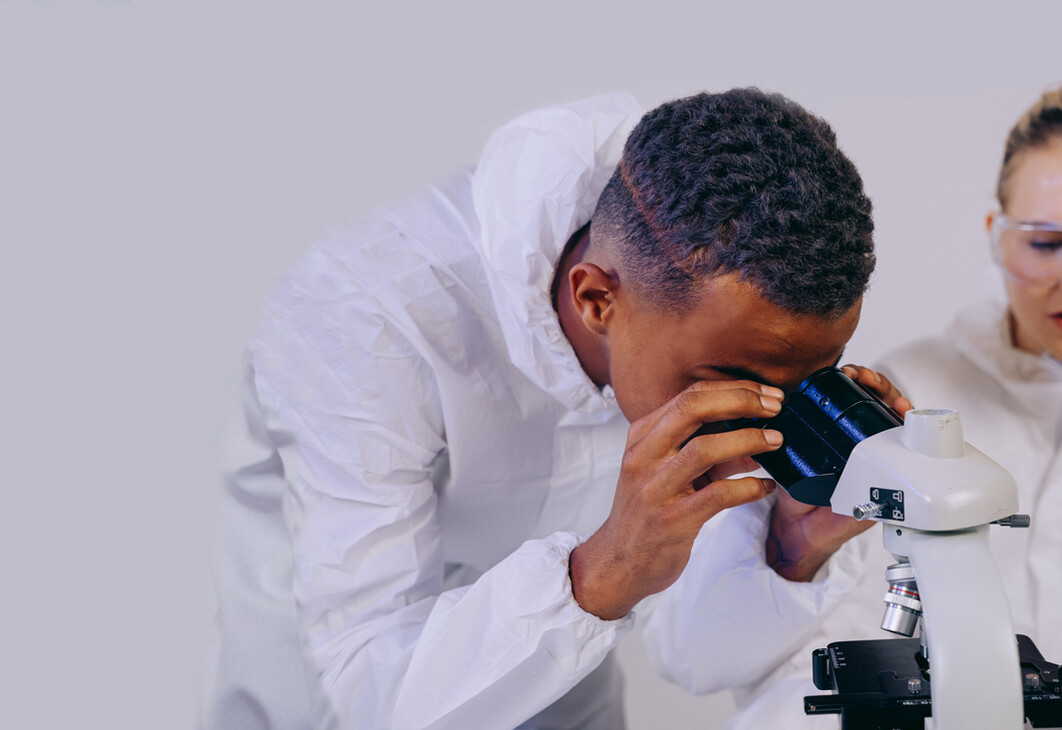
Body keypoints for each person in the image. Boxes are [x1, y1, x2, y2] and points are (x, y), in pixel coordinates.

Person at [643, 78, 1062, 729]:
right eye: (1044, 243)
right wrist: (796, 551)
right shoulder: (893, 392)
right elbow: (694, 657)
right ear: (998, 236)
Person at [201, 88, 880, 730]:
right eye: (731, 381)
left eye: (808, 378)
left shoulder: (726, 294)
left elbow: (688, 652)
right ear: (595, 300)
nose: (765, 417)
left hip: (564, 636)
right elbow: (366, 685)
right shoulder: (365, 314)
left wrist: (791, 549)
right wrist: (601, 574)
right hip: (334, 657)